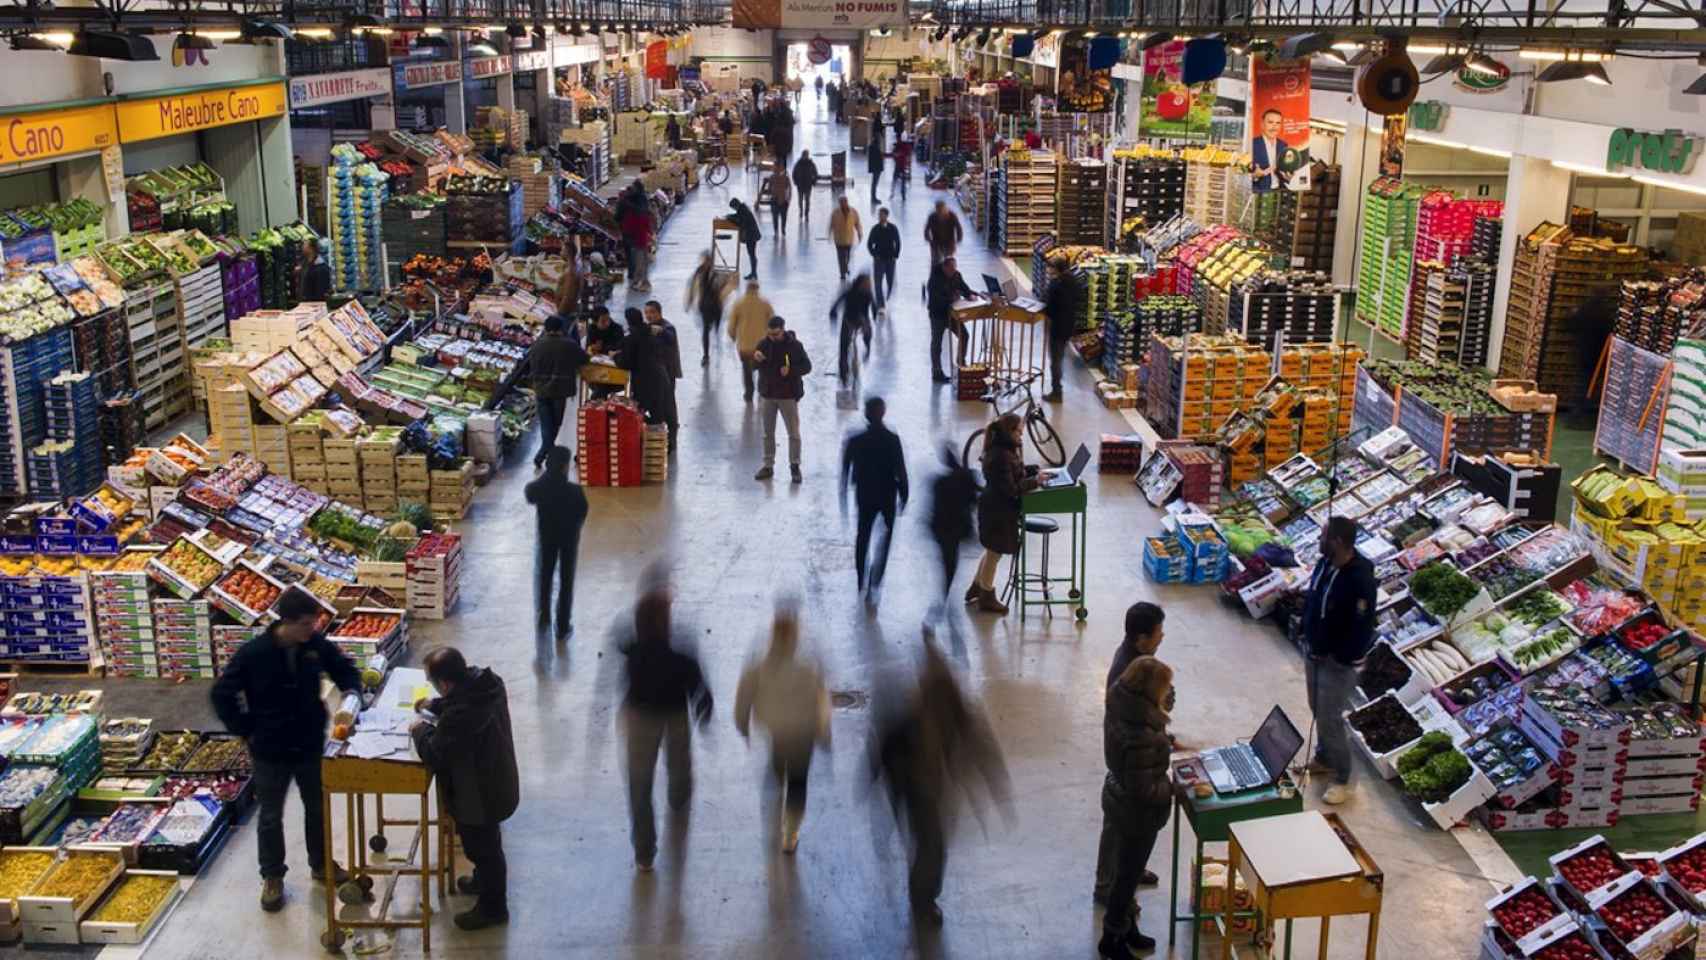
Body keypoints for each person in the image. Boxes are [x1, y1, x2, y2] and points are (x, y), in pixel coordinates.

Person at [211, 588, 360, 912]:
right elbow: (222, 694)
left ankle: (320, 864)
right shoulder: (254, 654)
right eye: (307, 624)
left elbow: (343, 667)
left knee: (316, 807)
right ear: (287, 622)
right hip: (270, 748)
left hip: (308, 742)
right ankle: (273, 877)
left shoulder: (312, 645)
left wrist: (354, 691)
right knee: (270, 815)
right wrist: (245, 728)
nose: (312, 630)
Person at [870, 644, 1011, 925]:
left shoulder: (952, 708)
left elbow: (981, 747)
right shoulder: (912, 714)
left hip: (929, 789)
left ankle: (922, 896)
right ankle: (922, 900)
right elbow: (884, 751)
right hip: (919, 789)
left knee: (929, 844)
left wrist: (997, 788)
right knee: (931, 846)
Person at [409, 647, 519, 931]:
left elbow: (434, 753)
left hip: (477, 794)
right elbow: (462, 699)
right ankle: (483, 881)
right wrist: (435, 705)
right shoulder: (487, 685)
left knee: (484, 849)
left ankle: (493, 908)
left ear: (445, 683)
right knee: (487, 843)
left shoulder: (462, 715)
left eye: (435, 684)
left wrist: (419, 729)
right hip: (495, 780)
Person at [619, 573, 714, 872]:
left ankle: (644, 853)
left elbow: (625, 672)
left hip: (639, 719)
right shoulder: (680, 655)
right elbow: (700, 688)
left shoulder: (633, 650)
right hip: (674, 716)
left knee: (639, 786)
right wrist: (703, 711)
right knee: (679, 764)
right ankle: (678, 799)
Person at [734, 603, 831, 853]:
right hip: (803, 734)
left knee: (778, 766)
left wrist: (743, 725)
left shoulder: (760, 666)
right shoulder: (808, 667)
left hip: (777, 731)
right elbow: (821, 701)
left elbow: (744, 696)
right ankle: (791, 834)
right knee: (798, 783)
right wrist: (823, 731)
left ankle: (776, 794)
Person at [1097, 657, 1175, 958]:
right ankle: (1112, 939)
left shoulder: (1120, 702)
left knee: (1125, 873)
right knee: (1126, 878)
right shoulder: (1141, 734)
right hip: (1138, 815)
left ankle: (1127, 927)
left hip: (1117, 799)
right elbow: (1143, 789)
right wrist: (1173, 787)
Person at [1302, 515, 1378, 805]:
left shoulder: (1360, 579)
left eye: (1323, 537)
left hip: (1337, 662)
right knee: (1316, 707)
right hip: (1314, 651)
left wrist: (1340, 656)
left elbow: (1361, 626)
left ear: (1337, 542)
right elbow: (1315, 599)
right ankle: (1324, 756)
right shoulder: (1326, 564)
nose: (1319, 541)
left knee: (1330, 718)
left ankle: (1345, 778)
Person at [1095, 603, 1166, 907]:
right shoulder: (1128, 669)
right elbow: (1137, 726)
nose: (1162, 637)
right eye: (1158, 633)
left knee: (1125, 831)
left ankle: (1128, 873)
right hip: (1127, 770)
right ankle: (1109, 888)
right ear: (1141, 638)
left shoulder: (1136, 660)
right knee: (1122, 828)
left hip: (1126, 763)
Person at [969, 414, 1039, 614]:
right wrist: (1036, 482)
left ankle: (977, 586)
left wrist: (1033, 471)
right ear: (1009, 431)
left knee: (992, 550)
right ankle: (986, 596)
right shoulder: (1002, 456)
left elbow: (1013, 473)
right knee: (995, 552)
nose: (1021, 436)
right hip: (998, 511)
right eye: (1018, 432)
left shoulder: (1002, 451)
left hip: (995, 508)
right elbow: (1011, 489)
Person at [841, 396, 909, 602]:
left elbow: (845, 473)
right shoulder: (892, 439)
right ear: (884, 413)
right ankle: (875, 577)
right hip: (887, 494)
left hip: (865, 494)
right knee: (886, 537)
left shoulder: (855, 440)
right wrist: (905, 495)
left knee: (863, 535)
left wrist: (843, 500)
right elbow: (901, 470)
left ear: (865, 414)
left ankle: (861, 577)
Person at [523, 445, 588, 639]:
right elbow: (582, 513)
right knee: (566, 582)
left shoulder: (538, 489)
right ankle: (562, 625)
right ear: (565, 467)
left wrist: (546, 478)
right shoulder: (575, 492)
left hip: (547, 539)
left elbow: (529, 493)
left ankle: (544, 621)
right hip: (569, 541)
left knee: (545, 578)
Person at [520, 314, 588, 469]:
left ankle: (545, 453)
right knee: (556, 423)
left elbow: (531, 365)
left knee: (546, 424)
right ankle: (543, 454)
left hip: (541, 389)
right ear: (560, 328)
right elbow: (584, 359)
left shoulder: (537, 345)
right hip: (560, 389)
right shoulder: (568, 344)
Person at [925, 444, 980, 629]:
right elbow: (974, 502)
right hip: (957, 531)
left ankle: (941, 602)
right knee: (950, 567)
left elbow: (933, 509)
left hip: (941, 531)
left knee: (947, 566)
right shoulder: (967, 476)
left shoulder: (938, 482)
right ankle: (942, 600)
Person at [753, 316, 811, 483]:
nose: (772, 337)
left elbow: (807, 366)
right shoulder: (763, 345)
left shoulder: (795, 346)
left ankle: (795, 466)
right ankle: (768, 465)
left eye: (776, 334)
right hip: (768, 394)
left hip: (788, 396)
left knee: (793, 433)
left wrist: (791, 370)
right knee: (767, 433)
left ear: (783, 330)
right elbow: (754, 366)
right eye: (770, 334)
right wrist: (756, 360)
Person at [926, 256, 975, 383]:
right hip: (938, 315)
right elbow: (937, 299)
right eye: (951, 269)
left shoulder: (956, 275)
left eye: (955, 269)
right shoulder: (934, 279)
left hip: (953, 314)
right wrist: (952, 299)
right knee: (937, 343)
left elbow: (963, 287)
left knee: (964, 335)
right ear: (944, 267)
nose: (953, 272)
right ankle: (936, 372)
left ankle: (961, 362)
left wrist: (969, 294)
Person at [1042, 258, 1084, 402]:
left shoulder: (1055, 285)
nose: (1049, 269)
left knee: (1055, 360)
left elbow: (1050, 308)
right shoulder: (1074, 281)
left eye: (1051, 267)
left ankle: (1056, 391)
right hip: (1069, 325)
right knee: (1059, 357)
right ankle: (1057, 389)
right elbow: (1079, 299)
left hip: (1057, 327)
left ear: (1057, 269)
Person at [728, 280, 774, 403]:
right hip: (761, 346)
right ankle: (761, 389)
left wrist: (733, 336)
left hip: (744, 346)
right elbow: (772, 323)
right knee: (762, 368)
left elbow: (732, 324)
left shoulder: (739, 304)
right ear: (757, 289)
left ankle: (749, 392)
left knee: (746, 370)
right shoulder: (765, 304)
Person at [829, 273, 876, 382]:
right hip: (849, 320)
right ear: (860, 284)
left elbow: (874, 305)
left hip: (862, 320)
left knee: (868, 332)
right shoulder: (849, 291)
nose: (868, 286)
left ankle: (867, 349)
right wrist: (833, 314)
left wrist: (874, 314)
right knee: (844, 347)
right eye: (866, 284)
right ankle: (843, 373)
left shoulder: (868, 293)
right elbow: (837, 303)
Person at [685, 251, 727, 367]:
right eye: (704, 259)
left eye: (707, 260)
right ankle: (706, 355)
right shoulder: (699, 271)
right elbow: (692, 286)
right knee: (705, 330)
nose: (705, 262)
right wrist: (690, 300)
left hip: (717, 305)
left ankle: (716, 338)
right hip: (705, 305)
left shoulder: (718, 270)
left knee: (716, 327)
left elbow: (724, 284)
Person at [866, 207, 900, 313]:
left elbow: (898, 242)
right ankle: (881, 304)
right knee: (878, 282)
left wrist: (896, 254)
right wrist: (874, 254)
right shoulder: (875, 229)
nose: (880, 217)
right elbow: (869, 243)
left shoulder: (893, 228)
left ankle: (887, 299)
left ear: (886, 216)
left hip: (890, 259)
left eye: (882, 215)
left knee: (890, 281)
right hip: (879, 259)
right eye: (879, 215)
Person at [620, 197, 656, 292]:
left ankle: (640, 282)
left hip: (636, 242)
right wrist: (651, 237)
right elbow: (649, 228)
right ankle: (642, 282)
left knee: (638, 262)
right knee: (643, 262)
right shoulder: (643, 215)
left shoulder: (631, 216)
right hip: (643, 241)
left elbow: (626, 228)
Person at [1251, 107, 1290, 192]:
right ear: (1262, 124)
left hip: (1279, 190)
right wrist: (1254, 175)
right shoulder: (1252, 144)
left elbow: (1283, 171)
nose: (1274, 126)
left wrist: (1287, 177)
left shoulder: (1284, 145)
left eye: (1278, 123)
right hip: (1259, 191)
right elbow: (1239, 176)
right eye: (1270, 122)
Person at [829, 197, 863, 282]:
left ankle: (846, 267)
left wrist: (859, 233)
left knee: (848, 256)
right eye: (841, 202)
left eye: (844, 202)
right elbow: (831, 224)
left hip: (849, 239)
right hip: (839, 239)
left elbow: (857, 223)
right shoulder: (835, 213)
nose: (843, 204)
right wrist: (830, 234)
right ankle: (842, 273)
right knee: (840, 257)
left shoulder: (853, 212)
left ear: (847, 202)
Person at [729, 198, 761, 280]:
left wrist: (730, 219)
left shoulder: (743, 210)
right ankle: (753, 273)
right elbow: (738, 216)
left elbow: (741, 221)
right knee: (752, 254)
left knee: (752, 254)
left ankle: (754, 273)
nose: (734, 209)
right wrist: (730, 216)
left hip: (751, 235)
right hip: (752, 235)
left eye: (733, 208)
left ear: (735, 205)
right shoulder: (742, 208)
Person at [298, 237, 333, 302]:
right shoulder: (305, 264)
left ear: (311, 249)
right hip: (305, 302)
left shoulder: (321, 268)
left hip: (314, 305)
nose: (302, 247)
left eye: (305, 245)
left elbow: (321, 291)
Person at [791, 151, 819, 225]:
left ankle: (806, 214)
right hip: (800, 185)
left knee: (807, 200)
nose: (805, 157)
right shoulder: (798, 164)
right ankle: (801, 211)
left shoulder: (811, 164)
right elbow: (794, 173)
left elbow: (815, 173)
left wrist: (814, 182)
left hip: (808, 185)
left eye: (806, 155)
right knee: (800, 201)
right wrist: (795, 181)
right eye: (804, 155)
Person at [767, 163, 792, 238]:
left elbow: (789, 188)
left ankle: (779, 230)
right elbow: (770, 188)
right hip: (778, 200)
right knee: (779, 217)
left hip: (781, 200)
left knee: (779, 217)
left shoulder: (784, 178)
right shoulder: (776, 177)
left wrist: (788, 198)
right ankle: (779, 230)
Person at [867, 124, 886, 206]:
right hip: (876, 168)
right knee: (875, 183)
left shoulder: (873, 146)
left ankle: (873, 197)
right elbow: (878, 157)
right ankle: (873, 198)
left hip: (876, 167)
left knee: (874, 183)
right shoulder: (875, 147)